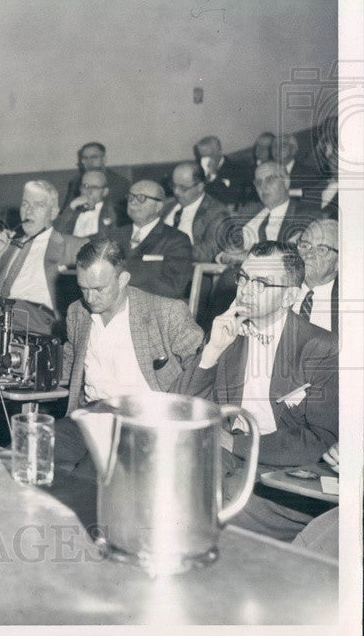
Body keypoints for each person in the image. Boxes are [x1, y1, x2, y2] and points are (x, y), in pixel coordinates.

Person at [194, 241, 339, 541]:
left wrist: (238, 445)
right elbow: (185, 407)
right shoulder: (228, 331)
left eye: (261, 283)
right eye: (244, 277)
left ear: (289, 295)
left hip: (285, 464)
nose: (246, 290)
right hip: (226, 451)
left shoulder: (321, 347)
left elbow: (321, 439)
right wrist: (212, 352)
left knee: (229, 496)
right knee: (179, 478)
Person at [54, 238, 207, 469]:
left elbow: (205, 368)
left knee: (89, 476)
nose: (90, 298)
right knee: (23, 450)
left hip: (144, 423)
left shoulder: (166, 313)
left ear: (123, 279)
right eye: (83, 288)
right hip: (90, 415)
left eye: (99, 289)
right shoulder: (77, 313)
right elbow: (70, 362)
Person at [0, 180, 86, 341]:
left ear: (53, 213)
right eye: (25, 204)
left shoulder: (74, 246)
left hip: (44, 329)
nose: (29, 211)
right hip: (2, 327)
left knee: (10, 308)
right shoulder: (7, 247)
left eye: (39, 205)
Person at [107, 179, 193, 299]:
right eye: (130, 197)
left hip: (152, 308)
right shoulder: (113, 236)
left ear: (158, 206)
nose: (132, 203)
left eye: (141, 198)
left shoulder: (177, 240)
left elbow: (174, 287)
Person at [160, 161, 232, 264]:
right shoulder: (167, 205)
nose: (176, 192)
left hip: (188, 270)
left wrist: (169, 250)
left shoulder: (217, 212)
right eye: (173, 185)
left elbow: (208, 253)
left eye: (183, 188)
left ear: (200, 187)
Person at [61, 142, 130, 224]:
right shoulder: (75, 183)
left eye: (94, 157)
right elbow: (67, 212)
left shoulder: (120, 183)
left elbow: (120, 217)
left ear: (104, 159)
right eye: (85, 158)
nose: (89, 162)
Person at [293, 219, 339, 333]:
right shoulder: (280, 288)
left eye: (321, 249)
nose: (309, 254)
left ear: (339, 261)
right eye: (305, 245)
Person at [53, 169, 118, 238]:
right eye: (85, 186)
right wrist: (72, 206)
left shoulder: (112, 211)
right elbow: (56, 234)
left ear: (105, 192)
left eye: (94, 187)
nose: (89, 192)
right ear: (80, 189)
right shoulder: (74, 210)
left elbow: (110, 237)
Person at [194, 135, 253, 209]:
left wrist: (213, 176)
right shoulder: (198, 171)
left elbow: (232, 199)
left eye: (208, 156)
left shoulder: (237, 169)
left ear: (219, 152)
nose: (204, 161)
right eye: (201, 157)